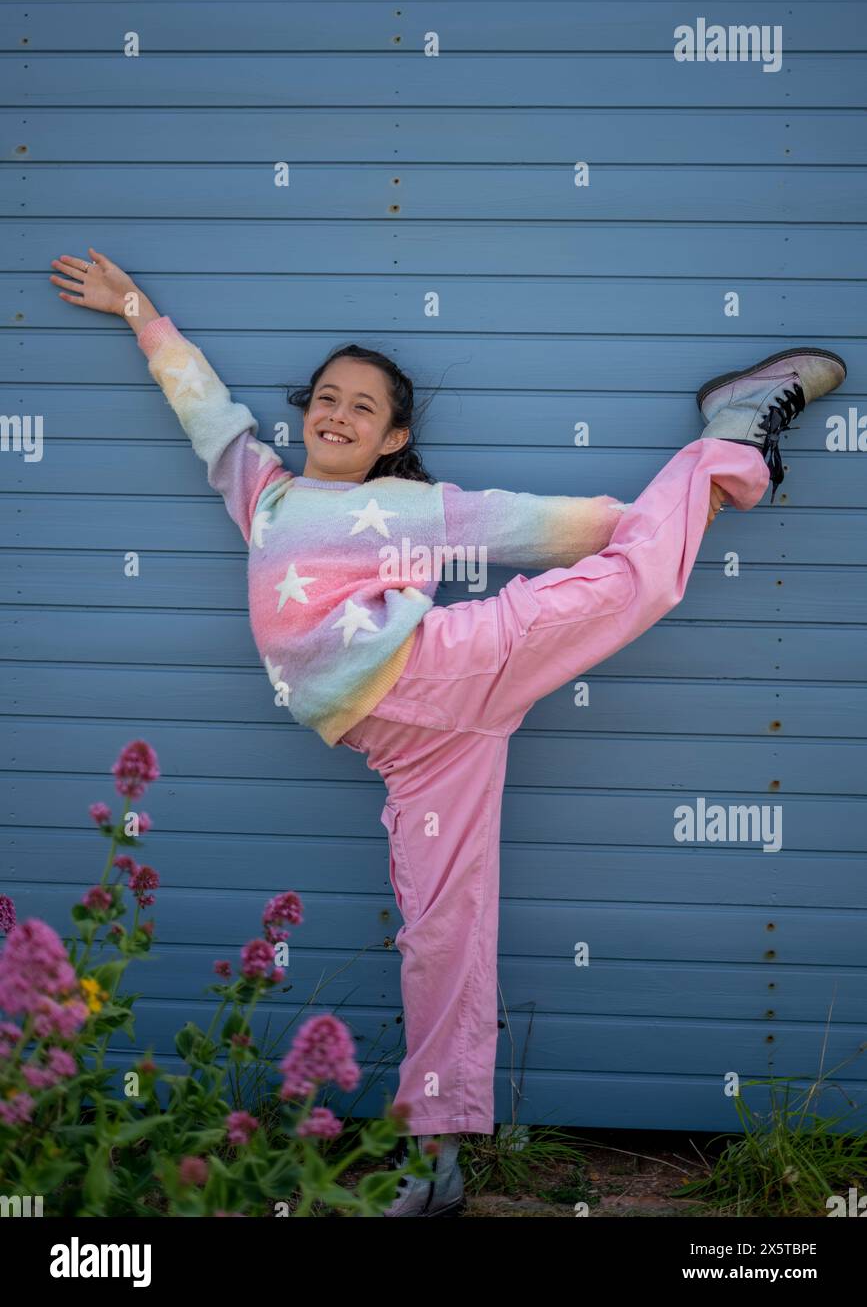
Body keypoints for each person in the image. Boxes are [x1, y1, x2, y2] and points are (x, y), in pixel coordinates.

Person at [48, 248, 846, 1217]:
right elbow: (205, 409)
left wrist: (623, 523)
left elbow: (521, 524)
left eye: (362, 407)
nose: (336, 414)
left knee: (639, 575)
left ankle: (728, 441)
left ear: (393, 437)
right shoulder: (264, 493)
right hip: (415, 750)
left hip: (456, 665)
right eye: (325, 398)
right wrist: (138, 310)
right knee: (439, 941)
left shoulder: (408, 509)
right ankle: (438, 1158)